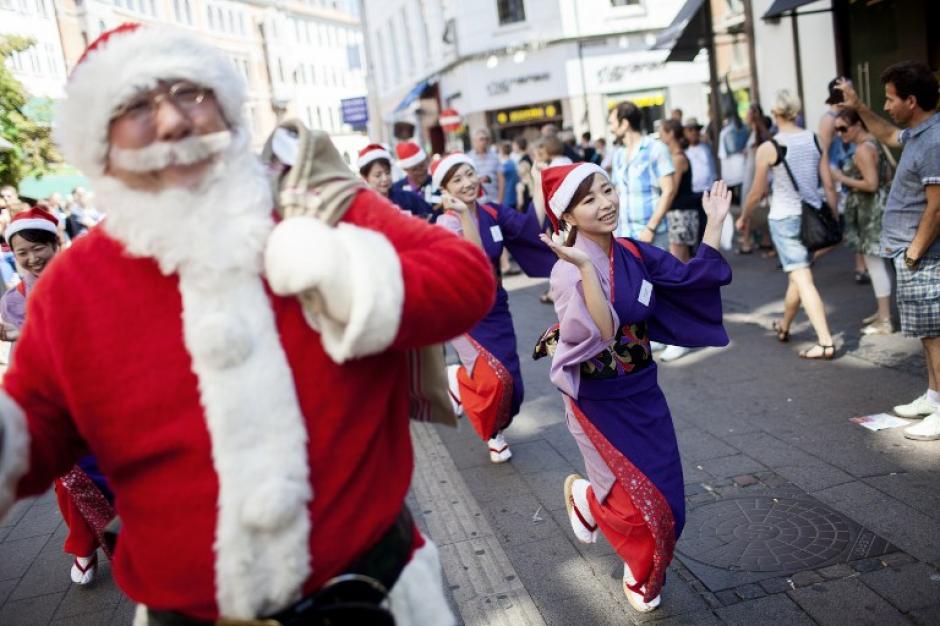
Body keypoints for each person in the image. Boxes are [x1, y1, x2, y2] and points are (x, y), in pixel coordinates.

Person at [0, 23, 496, 623]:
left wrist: (342, 272)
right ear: (98, 143)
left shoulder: (316, 205)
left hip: (377, 597)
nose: (173, 121)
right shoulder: (73, 286)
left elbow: (465, 281)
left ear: (228, 110)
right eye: (134, 105)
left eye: (191, 91)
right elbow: (34, 430)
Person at [533, 163, 731, 612]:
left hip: (643, 391)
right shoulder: (566, 273)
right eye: (588, 199)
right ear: (567, 215)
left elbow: (689, 280)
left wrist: (715, 222)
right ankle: (636, 569)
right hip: (598, 401)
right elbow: (603, 331)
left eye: (607, 190)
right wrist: (584, 265)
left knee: (669, 504)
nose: (606, 203)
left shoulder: (632, 253)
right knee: (640, 511)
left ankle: (587, 499)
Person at [0, 206, 114, 585]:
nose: (32, 259)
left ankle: (122, 539)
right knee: (69, 480)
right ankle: (83, 545)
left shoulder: (89, 278)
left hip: (103, 394)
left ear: (55, 242)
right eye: (22, 253)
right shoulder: (12, 301)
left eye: (38, 247)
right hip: (54, 402)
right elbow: (22, 363)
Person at [836, 63, 940, 440]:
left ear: (911, 101)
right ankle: (933, 396)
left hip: (923, 253)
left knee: (935, 333)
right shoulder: (918, 133)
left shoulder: (933, 140)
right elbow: (887, 133)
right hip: (913, 251)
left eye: (892, 98)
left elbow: (937, 206)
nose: (888, 104)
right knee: (928, 332)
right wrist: (859, 105)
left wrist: (914, 252)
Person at [432, 152, 556, 462]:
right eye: (457, 179)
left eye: (469, 174)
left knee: (512, 382)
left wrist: (539, 184)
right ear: (445, 188)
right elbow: (476, 261)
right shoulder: (445, 223)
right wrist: (462, 214)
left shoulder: (490, 211)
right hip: (466, 312)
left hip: (496, 307)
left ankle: (487, 416)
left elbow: (528, 228)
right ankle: (488, 427)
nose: (467, 183)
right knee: (494, 379)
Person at [737, 89, 838, 360]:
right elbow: (828, 182)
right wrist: (834, 212)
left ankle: (826, 342)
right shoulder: (815, 139)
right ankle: (784, 326)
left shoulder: (769, 148)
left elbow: (757, 192)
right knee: (798, 275)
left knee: (802, 278)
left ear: (775, 113)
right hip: (812, 215)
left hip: (784, 217)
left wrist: (744, 216)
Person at [830, 108, 894, 335]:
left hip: (870, 214)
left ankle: (885, 319)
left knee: (875, 264)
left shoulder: (863, 150)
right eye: (837, 129)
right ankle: (881, 312)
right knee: (877, 264)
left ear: (858, 125)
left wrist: (841, 178)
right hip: (877, 210)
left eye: (843, 128)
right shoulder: (875, 143)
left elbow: (871, 184)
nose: (840, 133)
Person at [819, 78, 867, 285]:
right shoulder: (829, 119)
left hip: (848, 174)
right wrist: (830, 187)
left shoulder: (842, 115)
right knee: (846, 228)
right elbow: (824, 154)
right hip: (839, 178)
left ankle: (861, 266)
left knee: (857, 224)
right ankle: (805, 259)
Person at [660, 119, 700, 262]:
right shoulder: (675, 157)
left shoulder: (677, 159)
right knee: (683, 259)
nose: (660, 135)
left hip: (681, 213)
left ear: (670, 133)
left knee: (679, 260)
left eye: (662, 132)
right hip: (681, 212)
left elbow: (672, 190)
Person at [358, 143, 432, 219]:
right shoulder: (362, 206)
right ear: (365, 177)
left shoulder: (409, 198)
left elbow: (431, 219)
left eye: (387, 173)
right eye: (378, 175)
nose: (385, 178)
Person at [737, 104, 773, 254]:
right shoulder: (751, 131)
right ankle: (761, 240)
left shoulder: (759, 130)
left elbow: (765, 145)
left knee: (749, 206)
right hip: (750, 172)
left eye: (749, 113)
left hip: (755, 173)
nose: (746, 115)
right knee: (752, 206)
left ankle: (747, 241)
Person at [390, 140, 435, 206]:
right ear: (405, 169)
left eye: (422, 166)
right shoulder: (396, 190)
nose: (420, 171)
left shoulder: (437, 183)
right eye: (414, 169)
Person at [469, 127, 501, 203]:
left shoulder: (495, 156)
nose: (484, 141)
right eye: (481, 139)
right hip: (477, 201)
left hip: (494, 199)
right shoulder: (469, 157)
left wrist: (500, 200)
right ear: (474, 141)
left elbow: (501, 180)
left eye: (486, 139)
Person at [497, 141, 520, 210]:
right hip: (513, 196)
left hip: (507, 197)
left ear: (502, 151)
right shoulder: (513, 163)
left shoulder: (504, 166)